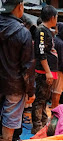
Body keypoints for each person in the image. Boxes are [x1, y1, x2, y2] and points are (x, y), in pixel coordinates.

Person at [0, 0, 35, 140]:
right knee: (10, 119)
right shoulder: (23, 33)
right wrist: (30, 91)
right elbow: (27, 67)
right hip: (14, 85)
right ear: (20, 7)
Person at [32, 5, 58, 134]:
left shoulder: (47, 30)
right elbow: (41, 52)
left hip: (48, 71)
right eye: (56, 17)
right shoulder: (41, 30)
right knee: (40, 98)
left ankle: (42, 121)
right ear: (52, 17)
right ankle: (37, 125)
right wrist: (47, 71)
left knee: (45, 97)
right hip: (43, 71)